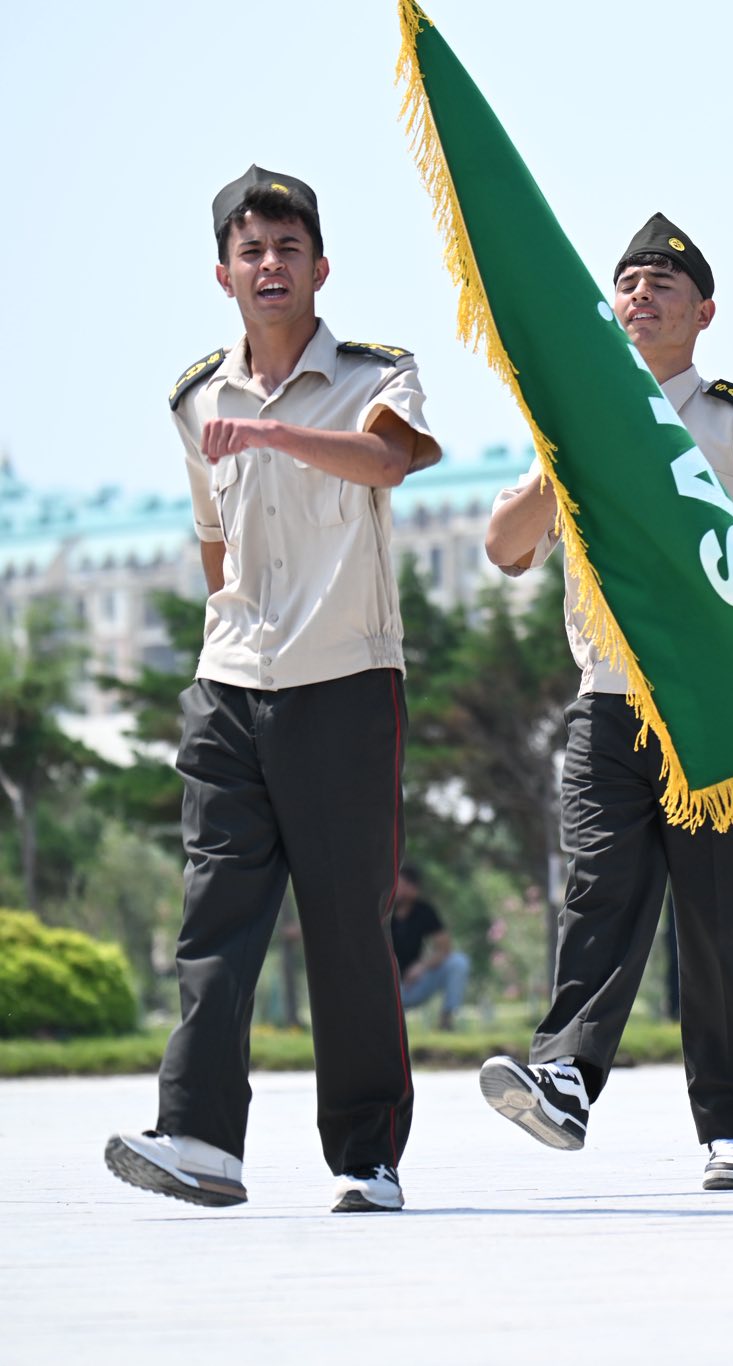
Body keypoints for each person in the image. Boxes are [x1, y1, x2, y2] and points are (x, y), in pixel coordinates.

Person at [106, 167, 440, 1214]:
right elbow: (214, 540)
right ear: (224, 274)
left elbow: (388, 462)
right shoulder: (194, 396)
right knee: (214, 919)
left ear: (320, 267)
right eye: (249, 251)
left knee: (346, 930)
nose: (269, 266)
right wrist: (231, 636)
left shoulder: (377, 372)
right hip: (230, 687)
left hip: (344, 685)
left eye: (288, 248)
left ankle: (367, 1157)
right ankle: (203, 1140)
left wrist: (278, 433)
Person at [477, 215, 733, 1190]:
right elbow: (505, 548)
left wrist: (711, 584)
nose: (641, 296)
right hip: (607, 700)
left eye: (663, 283)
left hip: (714, 708)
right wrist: (561, 454)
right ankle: (564, 1077)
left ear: (703, 312)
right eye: (628, 283)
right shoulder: (576, 415)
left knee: (722, 922)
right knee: (599, 892)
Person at [390, 864, 469, 1031]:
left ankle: (446, 1020)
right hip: (384, 988)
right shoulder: (382, 912)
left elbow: (444, 948)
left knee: (458, 962)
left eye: (402, 884)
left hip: (411, 985)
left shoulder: (424, 911)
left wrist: (421, 966)